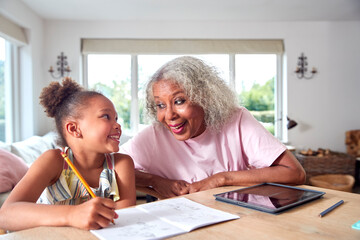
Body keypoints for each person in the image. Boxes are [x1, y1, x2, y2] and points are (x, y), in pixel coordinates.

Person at [120, 56, 306, 199]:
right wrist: (155, 182)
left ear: (205, 97)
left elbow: (295, 173)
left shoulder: (237, 120)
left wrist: (221, 179)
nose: (169, 116)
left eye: (179, 101)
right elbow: (104, 167)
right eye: (160, 105)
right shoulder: (154, 136)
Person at [0, 78, 136, 231]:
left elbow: (124, 217)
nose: (118, 125)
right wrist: (72, 214)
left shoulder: (122, 164)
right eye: (106, 116)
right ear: (73, 129)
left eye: (116, 119)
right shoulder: (53, 160)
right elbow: (5, 215)